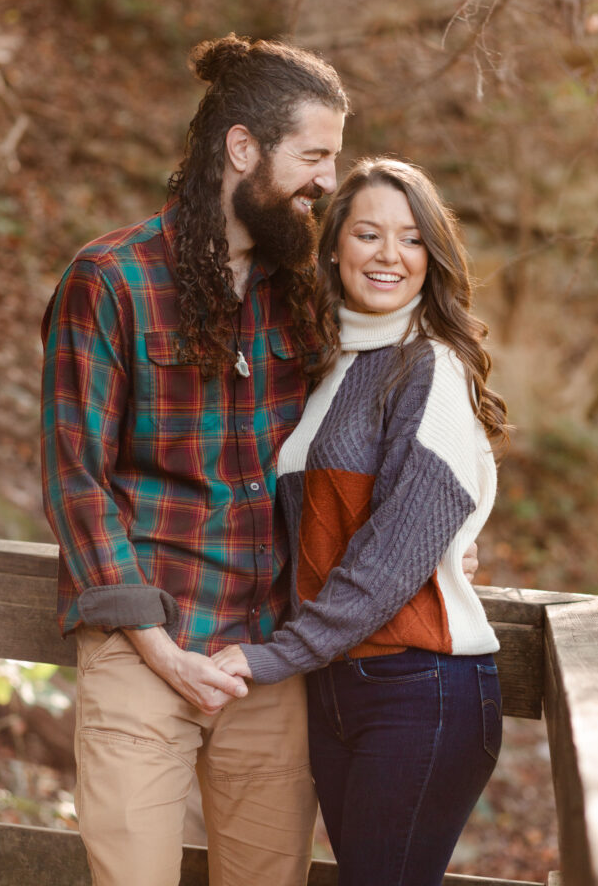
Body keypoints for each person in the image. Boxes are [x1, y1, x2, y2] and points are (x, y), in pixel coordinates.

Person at [40, 33, 349, 886]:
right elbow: (77, 481)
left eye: (334, 159)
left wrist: (446, 529)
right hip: (144, 648)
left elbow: (367, 439)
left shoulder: (307, 291)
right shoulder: (110, 280)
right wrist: (156, 646)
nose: (327, 181)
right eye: (312, 156)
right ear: (241, 148)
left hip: (270, 658)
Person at [214, 157, 510, 886]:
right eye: (368, 233)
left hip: (420, 688)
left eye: (410, 239)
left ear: (431, 256)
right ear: (335, 246)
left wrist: (276, 653)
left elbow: (394, 548)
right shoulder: (329, 365)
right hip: (338, 688)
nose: (388, 255)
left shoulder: (429, 366)